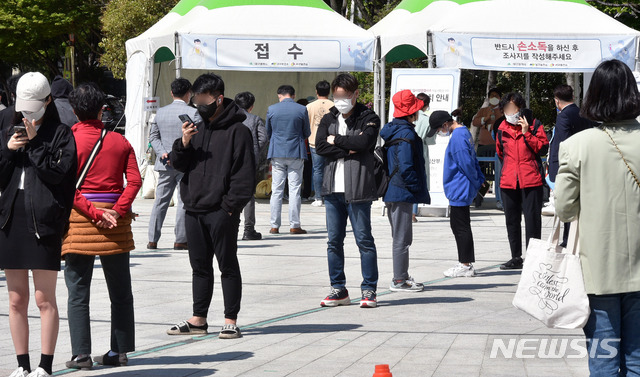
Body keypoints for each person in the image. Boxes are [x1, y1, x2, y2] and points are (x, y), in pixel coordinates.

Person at [555, 59, 640, 376]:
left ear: (595, 97)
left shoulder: (577, 145)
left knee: (603, 358)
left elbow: (564, 208)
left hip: (598, 269)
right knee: (637, 359)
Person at [0, 72, 77, 377]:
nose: (26, 115)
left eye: (33, 109)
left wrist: (34, 145)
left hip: (44, 219)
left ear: (47, 101)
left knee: (45, 298)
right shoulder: (7, 123)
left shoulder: (61, 132)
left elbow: (59, 175)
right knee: (16, 298)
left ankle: (44, 366)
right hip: (10, 216)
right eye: (23, 109)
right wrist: (8, 150)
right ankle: (22, 365)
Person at [167, 73, 255, 339]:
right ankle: (199, 318)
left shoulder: (239, 131)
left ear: (218, 99)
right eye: (196, 100)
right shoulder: (197, 127)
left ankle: (230, 319)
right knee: (199, 266)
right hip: (193, 208)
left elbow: (245, 176)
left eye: (203, 100)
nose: (199, 105)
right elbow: (178, 164)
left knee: (227, 264)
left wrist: (228, 208)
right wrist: (183, 143)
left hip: (221, 211)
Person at [62, 83, 142, 369]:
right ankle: (118, 351)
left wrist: (93, 213)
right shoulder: (120, 142)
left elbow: (64, 186)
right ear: (101, 109)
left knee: (78, 291)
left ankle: (81, 354)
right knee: (120, 292)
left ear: (73, 110)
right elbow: (135, 181)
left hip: (80, 222)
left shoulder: (67, 140)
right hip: (115, 226)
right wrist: (117, 211)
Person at [315, 73, 381, 308]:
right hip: (332, 189)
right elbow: (321, 146)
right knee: (334, 241)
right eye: (336, 96)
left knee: (364, 240)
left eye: (344, 96)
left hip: (358, 188)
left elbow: (364, 144)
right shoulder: (328, 117)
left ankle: (369, 289)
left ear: (355, 95)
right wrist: (347, 147)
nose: (340, 101)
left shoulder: (368, 117)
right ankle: (338, 288)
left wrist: (337, 140)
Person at [380, 90, 430, 292]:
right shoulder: (407, 133)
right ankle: (399, 279)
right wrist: (416, 186)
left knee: (399, 236)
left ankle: (402, 276)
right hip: (402, 190)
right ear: (412, 113)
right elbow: (407, 165)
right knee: (402, 238)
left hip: (392, 188)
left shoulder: (392, 129)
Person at [496, 92, 549, 270]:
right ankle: (515, 257)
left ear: (521, 109)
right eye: (506, 109)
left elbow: (542, 148)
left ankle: (533, 257)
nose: (510, 112)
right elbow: (501, 152)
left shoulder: (534, 125)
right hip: (509, 180)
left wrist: (527, 134)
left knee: (532, 220)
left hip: (530, 179)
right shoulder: (502, 128)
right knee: (511, 220)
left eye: (513, 108)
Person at [430, 111, 485, 277]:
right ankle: (465, 262)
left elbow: (466, 163)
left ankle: (465, 264)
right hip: (460, 186)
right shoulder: (463, 132)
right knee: (460, 226)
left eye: (439, 128)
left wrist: (477, 181)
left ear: (445, 124)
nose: (440, 132)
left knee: (460, 227)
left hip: (459, 187)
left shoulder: (457, 137)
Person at [147, 78, 198, 250]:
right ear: (188, 93)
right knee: (183, 201)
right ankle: (180, 240)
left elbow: (153, 137)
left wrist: (163, 153)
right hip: (185, 163)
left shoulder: (160, 112)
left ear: (171, 93)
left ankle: (152, 239)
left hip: (164, 164)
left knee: (160, 201)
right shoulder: (194, 113)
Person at [546, 84, 595, 246]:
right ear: (573, 97)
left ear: (556, 101)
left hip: (567, 166)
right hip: (584, 163)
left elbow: (562, 144)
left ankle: (567, 240)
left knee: (568, 203)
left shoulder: (563, 116)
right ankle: (579, 239)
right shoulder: (583, 113)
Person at [266, 85, 311, 234]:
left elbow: (268, 132)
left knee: (277, 190)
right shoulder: (301, 109)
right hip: (296, 151)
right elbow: (306, 132)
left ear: (279, 95)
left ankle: (274, 225)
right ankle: (294, 225)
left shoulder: (272, 109)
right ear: (293, 95)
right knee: (294, 190)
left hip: (277, 152)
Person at [235, 91, 268, 241]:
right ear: (252, 106)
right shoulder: (255, 119)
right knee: (248, 196)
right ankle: (248, 230)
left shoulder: (229, 118)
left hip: (230, 160)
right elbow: (264, 138)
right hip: (249, 161)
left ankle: (232, 226)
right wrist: (254, 151)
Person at [472, 88, 503, 208]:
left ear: (500, 98)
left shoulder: (502, 110)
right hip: (483, 145)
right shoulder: (483, 110)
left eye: (496, 95)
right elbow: (475, 122)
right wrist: (485, 119)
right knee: (480, 172)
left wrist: (490, 125)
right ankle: (479, 195)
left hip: (497, 146)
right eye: (491, 96)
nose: (494, 98)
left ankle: (500, 198)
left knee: (499, 172)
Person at [307, 80, 334, 207]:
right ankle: (330, 195)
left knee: (317, 170)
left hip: (314, 142)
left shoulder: (309, 106)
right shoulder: (334, 105)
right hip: (332, 141)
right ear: (329, 92)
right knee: (331, 168)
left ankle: (318, 198)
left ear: (316, 92)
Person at [412, 93, 433, 222]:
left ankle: (408, 212)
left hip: (404, 151)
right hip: (420, 153)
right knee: (417, 182)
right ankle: (413, 213)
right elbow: (430, 140)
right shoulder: (426, 120)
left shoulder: (406, 116)